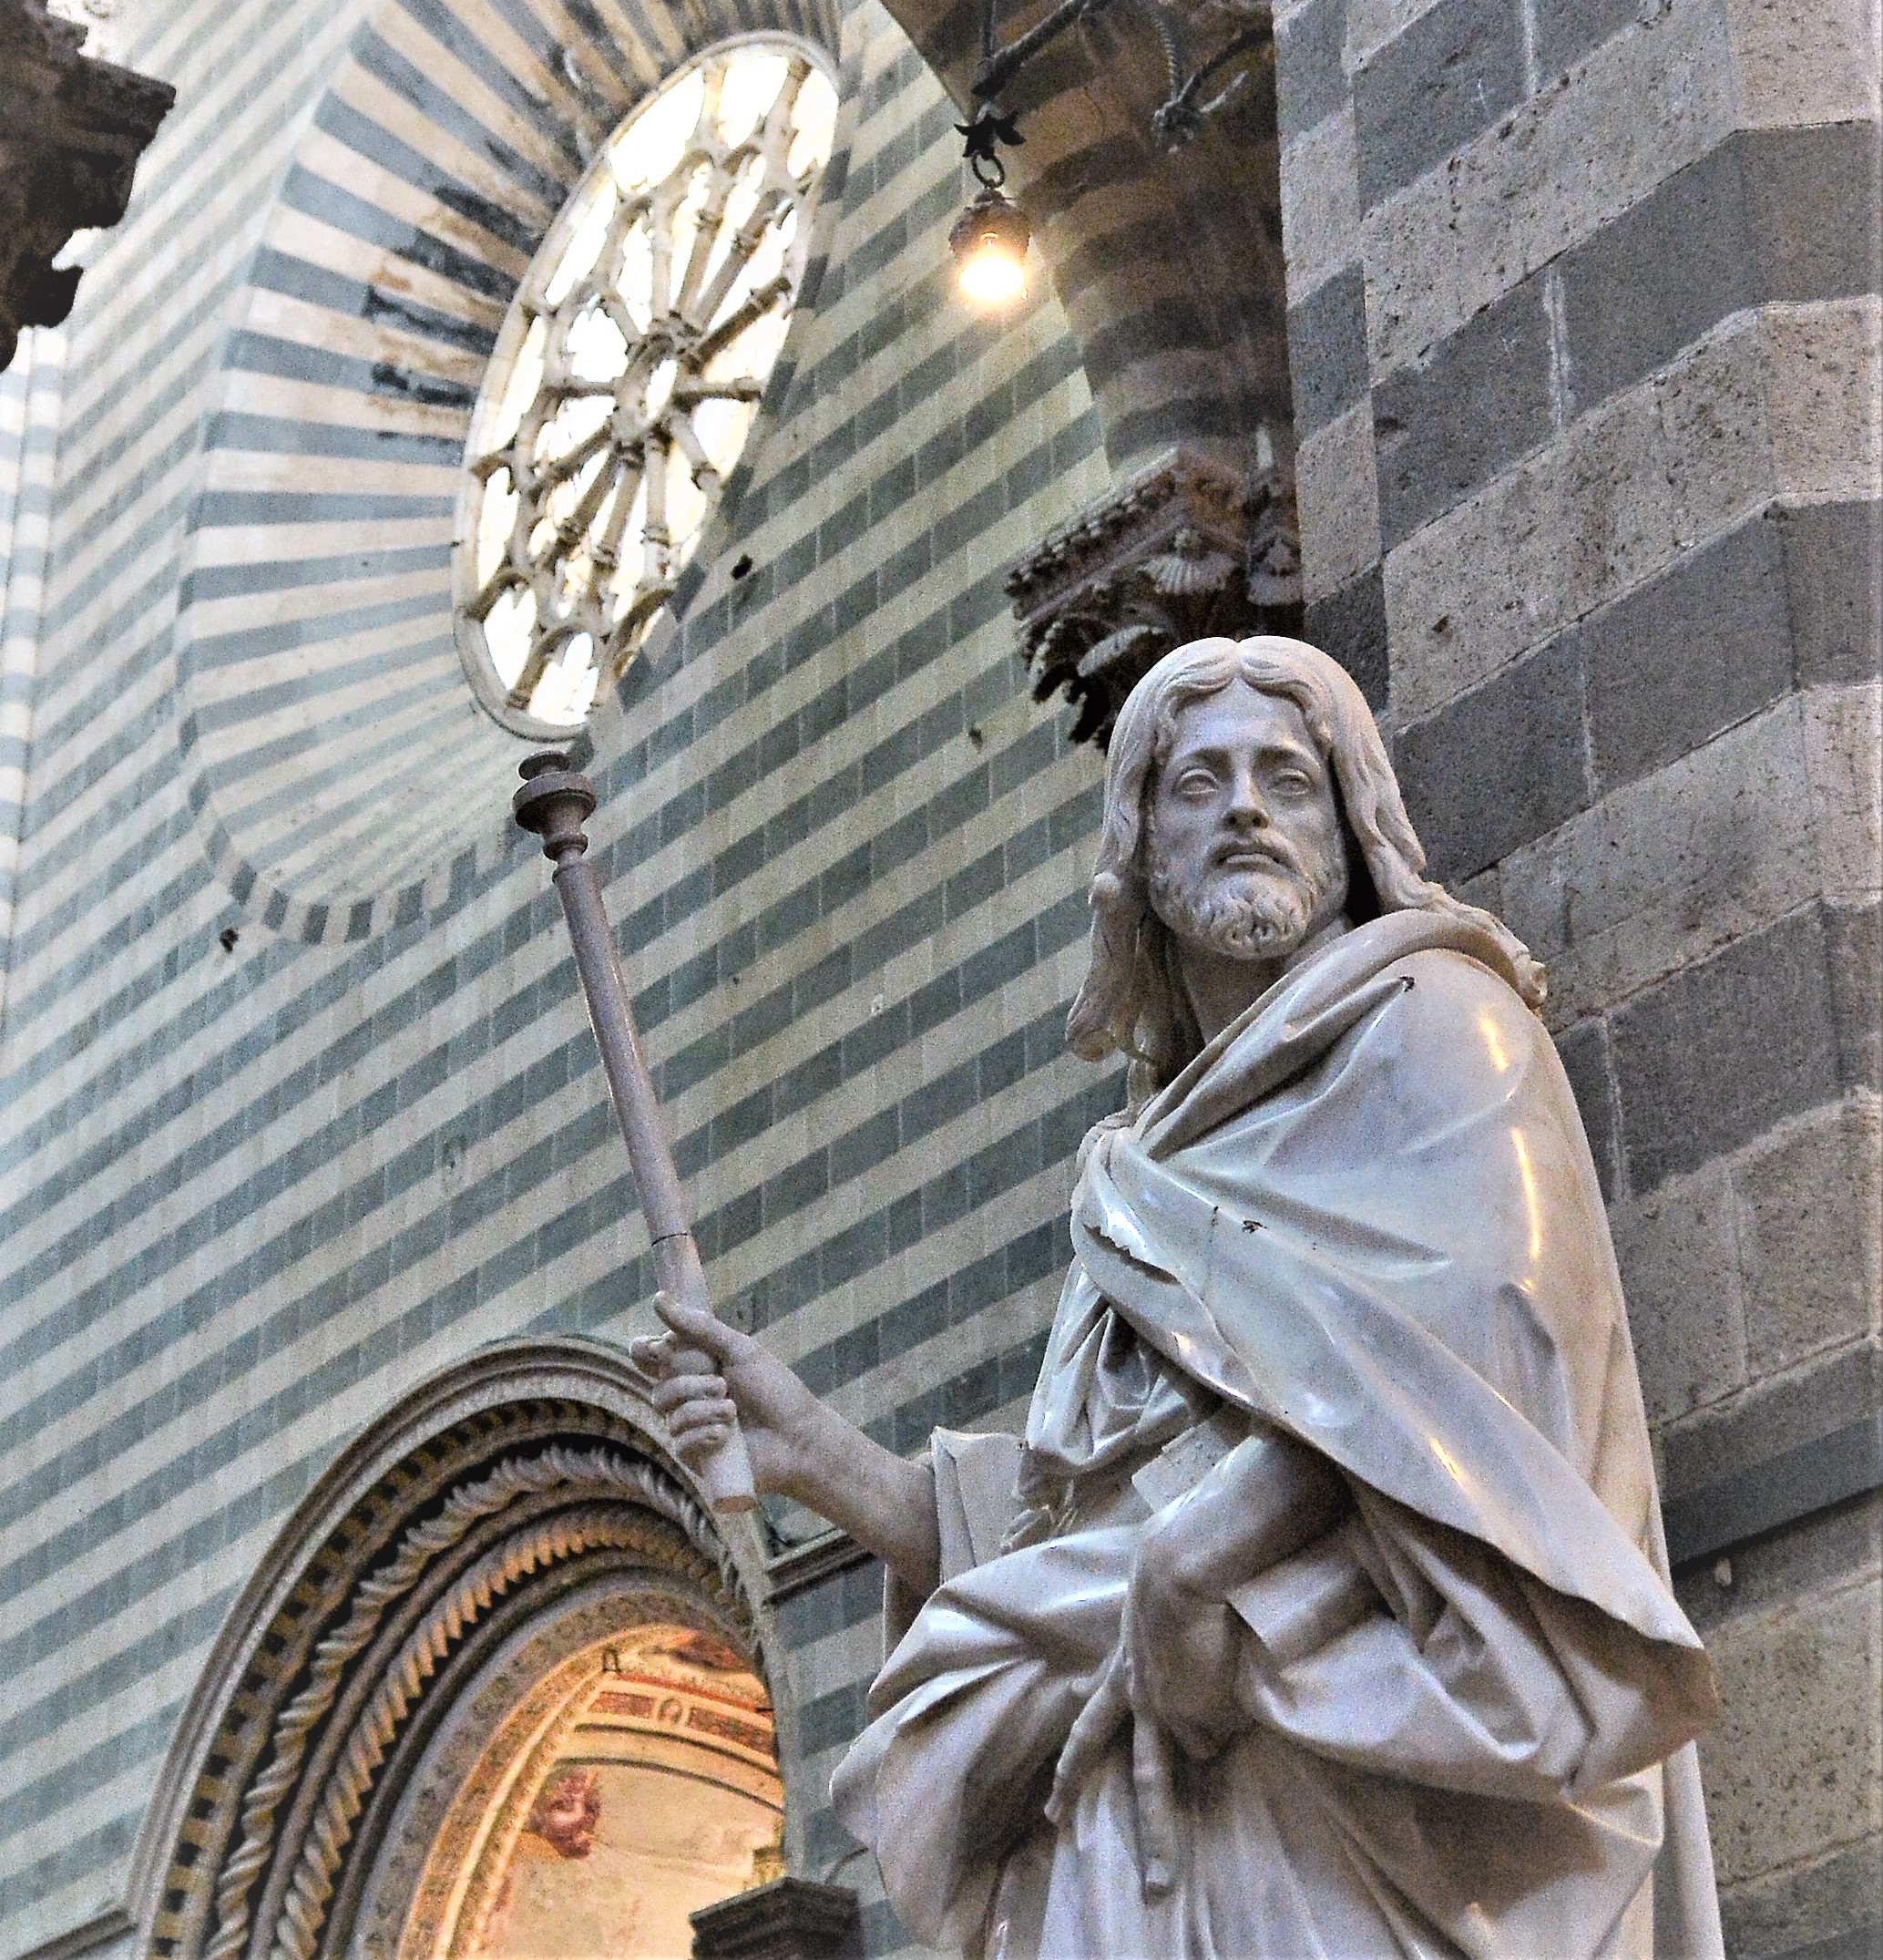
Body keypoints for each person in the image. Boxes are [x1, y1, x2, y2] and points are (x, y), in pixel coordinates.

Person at [634, 635, 1724, 1959]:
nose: (1246, 808)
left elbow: (1468, 1375)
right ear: (1139, 849)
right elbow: (1081, 1533)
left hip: (1363, 1777)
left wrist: (1195, 1560)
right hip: (1150, 1814)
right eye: (1199, 783)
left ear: (1351, 827)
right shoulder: (1138, 1168)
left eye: (1287, 778)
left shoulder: (1441, 1028)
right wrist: (820, 1456)